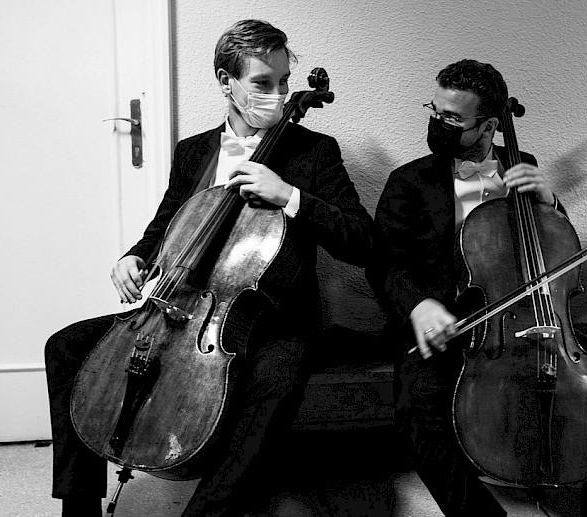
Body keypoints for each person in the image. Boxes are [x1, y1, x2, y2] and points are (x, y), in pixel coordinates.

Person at [45, 19, 373, 517]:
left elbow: (363, 241)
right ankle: (79, 508)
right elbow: (167, 224)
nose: (279, 95)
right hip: (183, 308)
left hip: (273, 317)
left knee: (276, 380)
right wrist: (135, 256)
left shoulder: (314, 151)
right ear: (226, 81)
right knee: (66, 346)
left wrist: (290, 196)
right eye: (262, 83)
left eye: (284, 82)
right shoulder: (194, 151)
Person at [367, 59, 587, 516]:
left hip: (535, 319)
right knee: (417, 405)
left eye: (452, 118)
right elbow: (386, 264)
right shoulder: (409, 182)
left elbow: (555, 250)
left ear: (490, 125)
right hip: (451, 326)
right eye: (435, 111)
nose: (437, 123)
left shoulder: (523, 165)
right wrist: (419, 306)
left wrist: (551, 201)